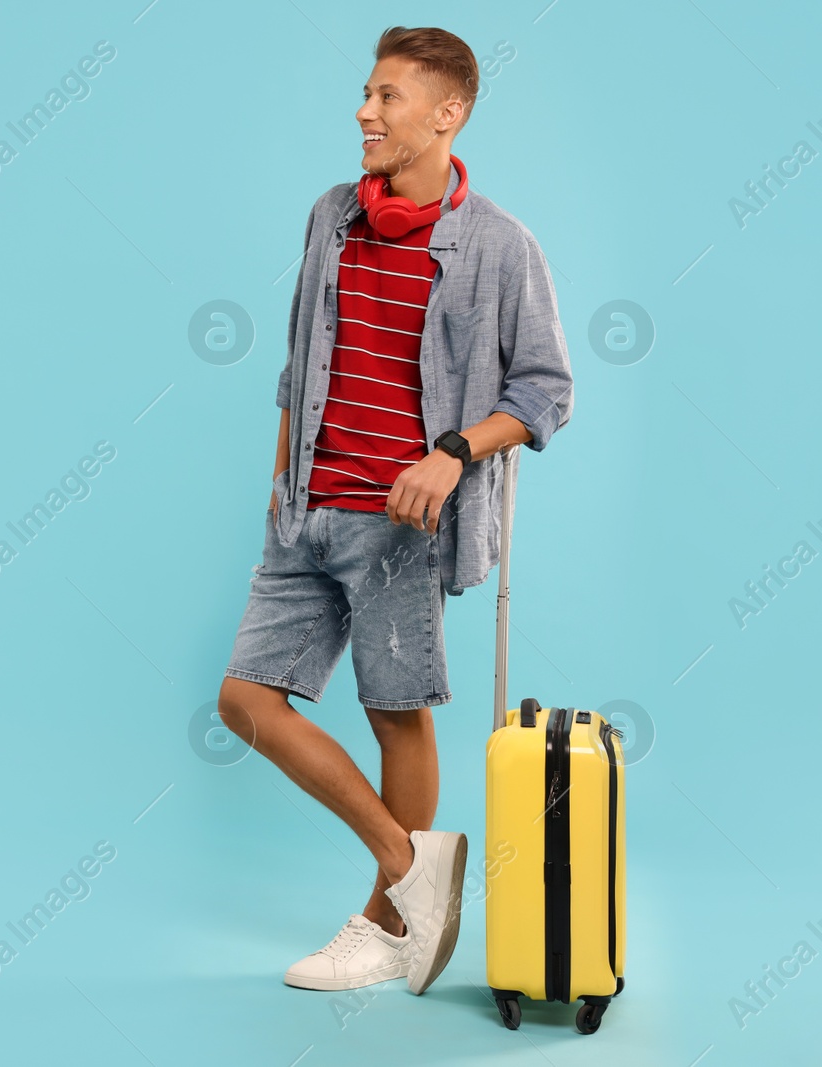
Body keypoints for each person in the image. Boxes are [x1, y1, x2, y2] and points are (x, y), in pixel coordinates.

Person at [217, 25, 574, 995]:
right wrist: (279, 487)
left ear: (447, 113)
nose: (364, 113)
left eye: (386, 97)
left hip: (401, 526)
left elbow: (544, 388)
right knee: (244, 698)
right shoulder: (331, 216)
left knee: (393, 712)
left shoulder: (500, 245)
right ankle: (413, 869)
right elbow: (300, 364)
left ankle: (385, 924)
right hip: (307, 507)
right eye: (366, 95)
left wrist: (452, 455)